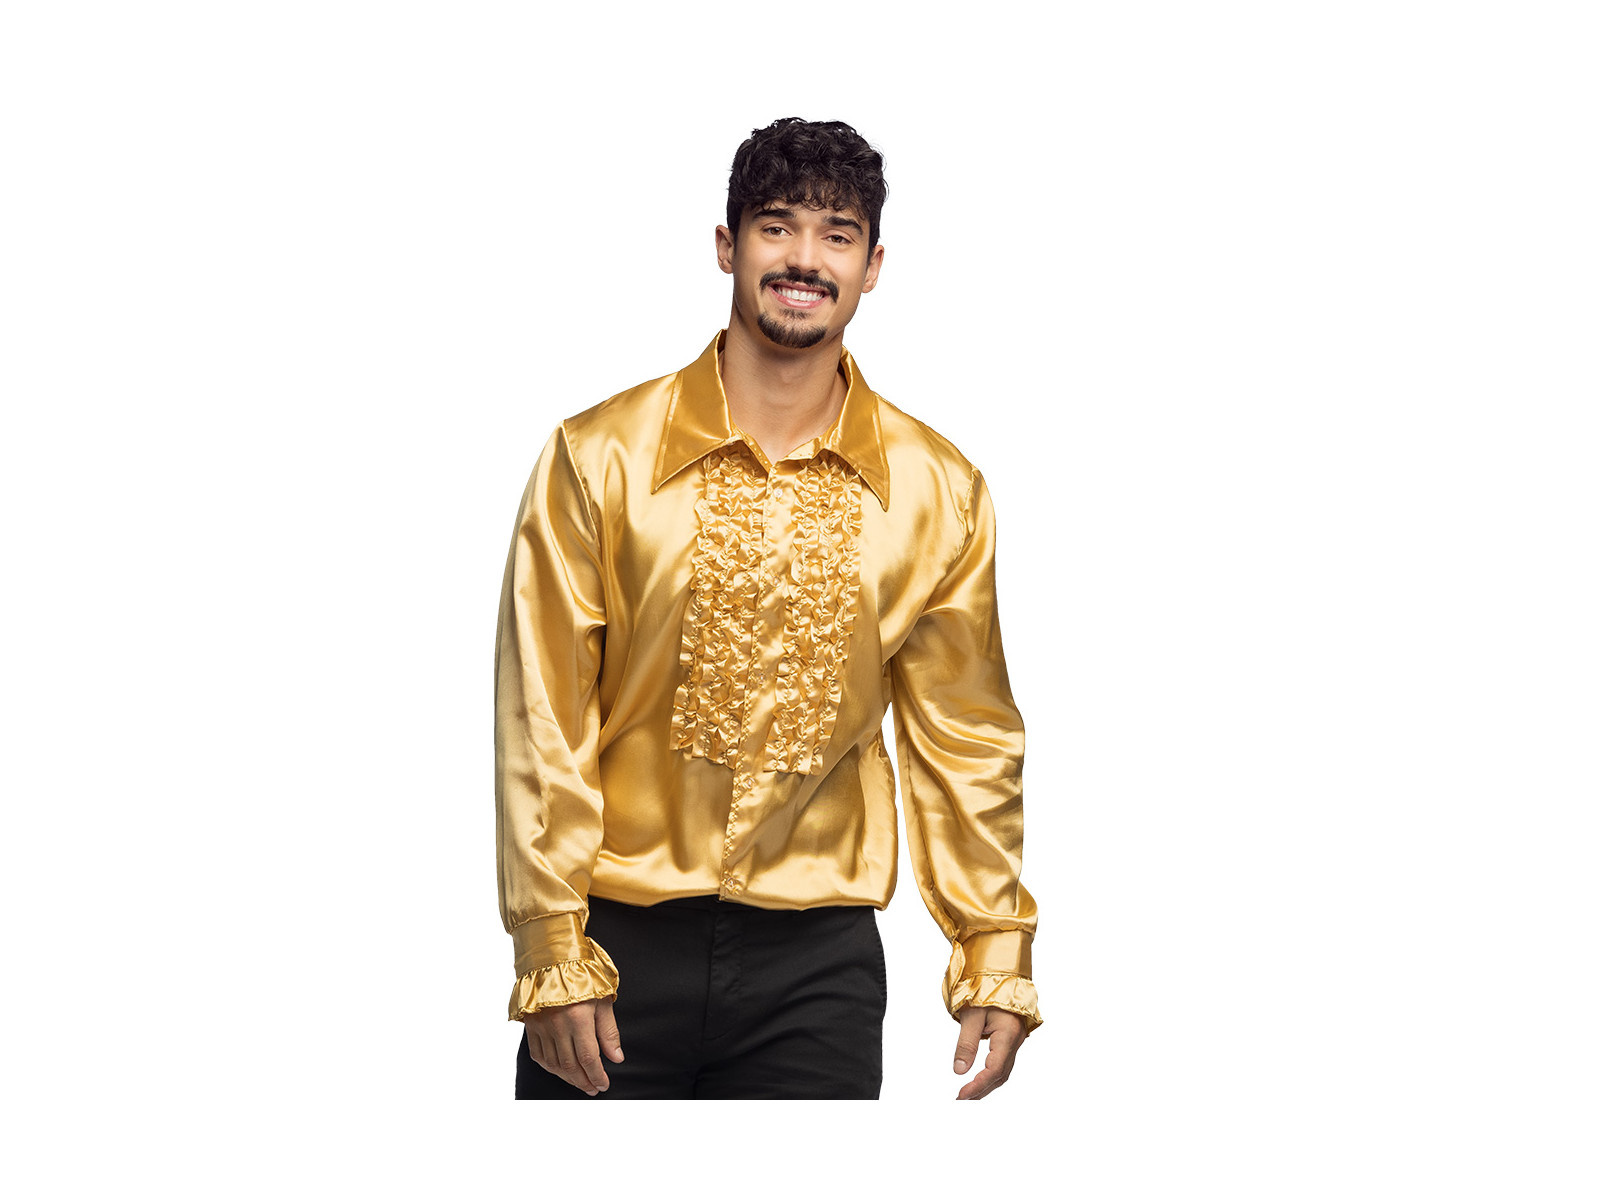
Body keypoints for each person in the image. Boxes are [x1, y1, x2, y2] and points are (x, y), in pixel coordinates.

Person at [496, 117, 1040, 1100]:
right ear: (727, 246)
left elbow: (965, 736)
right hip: (614, 953)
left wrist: (992, 948)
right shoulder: (597, 457)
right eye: (776, 226)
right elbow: (544, 716)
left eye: (837, 234)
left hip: (816, 973)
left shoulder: (938, 491)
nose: (804, 259)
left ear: (873, 266)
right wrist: (550, 944)